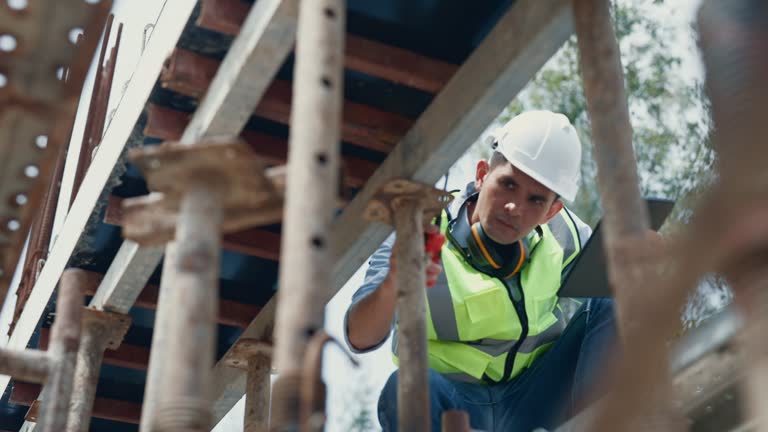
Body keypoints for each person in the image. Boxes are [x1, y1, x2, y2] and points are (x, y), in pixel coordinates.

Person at [344, 110, 618, 431]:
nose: (515, 207)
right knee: (407, 388)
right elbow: (359, 336)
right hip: (454, 405)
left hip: (536, 398)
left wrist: (641, 266)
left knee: (619, 288)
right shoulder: (419, 231)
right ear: (482, 173)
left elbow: (619, 307)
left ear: (551, 210)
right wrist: (394, 282)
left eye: (535, 200)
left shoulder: (566, 234)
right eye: (508, 184)